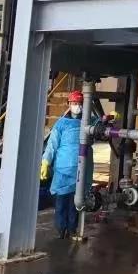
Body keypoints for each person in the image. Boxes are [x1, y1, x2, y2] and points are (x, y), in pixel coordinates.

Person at [40, 90, 93, 239]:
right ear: (69, 104)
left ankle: (72, 230)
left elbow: (101, 128)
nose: (77, 106)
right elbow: (52, 144)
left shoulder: (89, 122)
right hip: (63, 169)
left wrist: (108, 120)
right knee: (61, 202)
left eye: (80, 103)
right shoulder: (61, 123)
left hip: (81, 169)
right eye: (74, 103)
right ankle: (61, 230)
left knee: (76, 202)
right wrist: (46, 161)